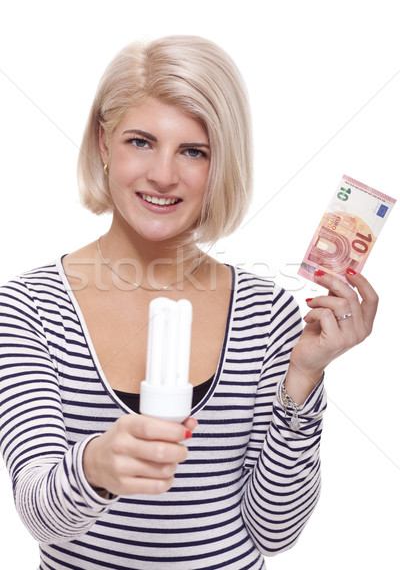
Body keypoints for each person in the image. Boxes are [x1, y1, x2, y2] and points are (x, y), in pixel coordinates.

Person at [0, 35, 378, 570]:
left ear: (220, 164)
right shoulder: (27, 307)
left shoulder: (265, 313)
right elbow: (40, 517)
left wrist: (303, 378)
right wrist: (96, 467)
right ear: (104, 145)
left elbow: (274, 531)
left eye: (193, 151)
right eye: (140, 141)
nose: (163, 175)